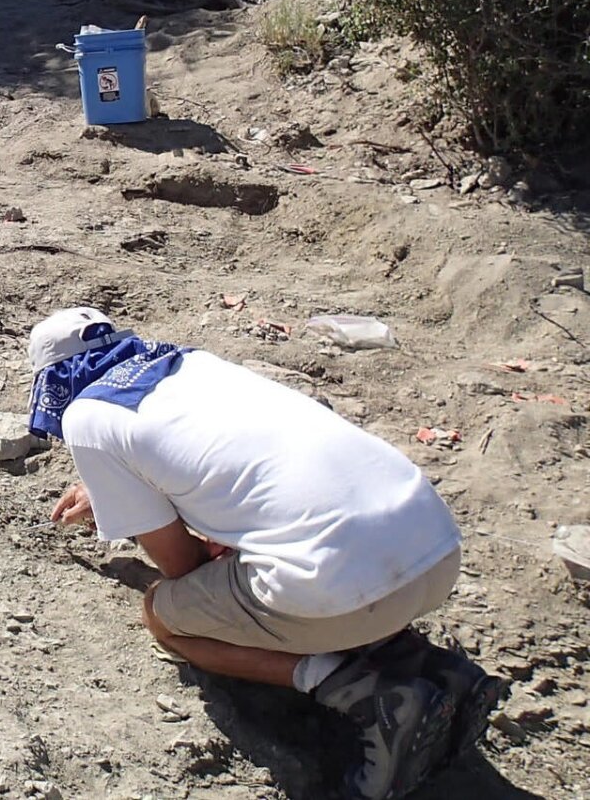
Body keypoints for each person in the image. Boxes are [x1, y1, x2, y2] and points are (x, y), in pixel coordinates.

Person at [26, 307, 503, 800]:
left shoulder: (87, 414)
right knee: (302, 558)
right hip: (435, 550)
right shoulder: (192, 364)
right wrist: (117, 489)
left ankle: (365, 694)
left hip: (343, 591)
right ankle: (436, 671)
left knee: (164, 615)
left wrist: (141, 512)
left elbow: (182, 567)